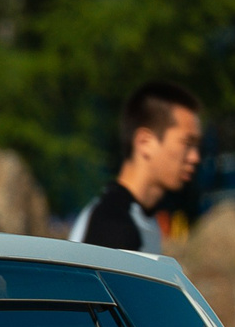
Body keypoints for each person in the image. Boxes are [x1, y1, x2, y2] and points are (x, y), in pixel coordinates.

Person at [72, 81, 204, 253]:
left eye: (197, 146)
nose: (195, 157)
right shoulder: (112, 226)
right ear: (145, 142)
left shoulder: (140, 218)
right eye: (187, 143)